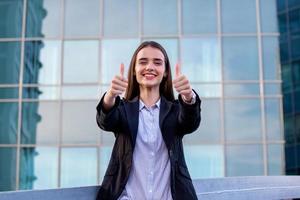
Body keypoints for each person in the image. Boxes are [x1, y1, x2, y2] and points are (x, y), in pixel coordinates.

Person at [96, 41, 201, 200]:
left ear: (165, 72)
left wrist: (188, 96)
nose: (150, 67)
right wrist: (110, 96)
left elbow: (190, 122)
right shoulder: (123, 110)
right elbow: (105, 121)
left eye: (157, 62)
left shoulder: (175, 110)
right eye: (143, 62)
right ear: (134, 70)